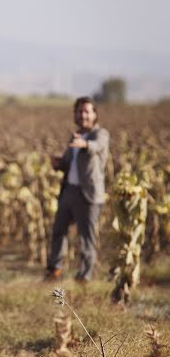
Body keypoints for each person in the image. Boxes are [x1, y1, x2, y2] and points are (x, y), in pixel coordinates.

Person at [46, 96, 109, 282]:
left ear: (94, 115)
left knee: (86, 238)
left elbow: (97, 147)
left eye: (87, 112)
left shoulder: (100, 134)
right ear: (75, 114)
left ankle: (85, 276)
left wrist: (85, 144)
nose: (83, 115)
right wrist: (58, 163)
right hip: (69, 191)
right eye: (80, 111)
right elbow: (68, 163)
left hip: (88, 195)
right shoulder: (74, 136)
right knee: (58, 230)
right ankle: (54, 271)